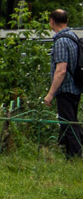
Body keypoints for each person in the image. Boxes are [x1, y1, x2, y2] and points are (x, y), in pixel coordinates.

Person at [43, 9, 82, 159]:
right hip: (76, 87)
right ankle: (68, 151)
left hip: (65, 88)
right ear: (67, 20)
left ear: (52, 21)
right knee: (72, 120)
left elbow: (61, 71)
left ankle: (75, 156)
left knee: (68, 124)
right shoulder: (72, 36)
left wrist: (50, 94)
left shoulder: (60, 41)